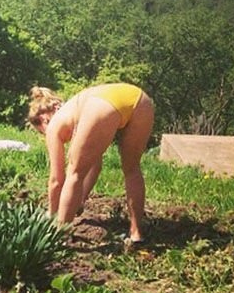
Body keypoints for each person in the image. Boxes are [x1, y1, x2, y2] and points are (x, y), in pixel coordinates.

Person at [28, 83, 155, 242]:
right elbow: (95, 166)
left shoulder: (53, 125)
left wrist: (52, 216)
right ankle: (136, 235)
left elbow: (56, 181)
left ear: (43, 119)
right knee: (132, 168)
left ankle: (60, 235)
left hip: (102, 104)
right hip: (141, 100)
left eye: (42, 133)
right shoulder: (75, 110)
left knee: (73, 173)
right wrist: (79, 200)